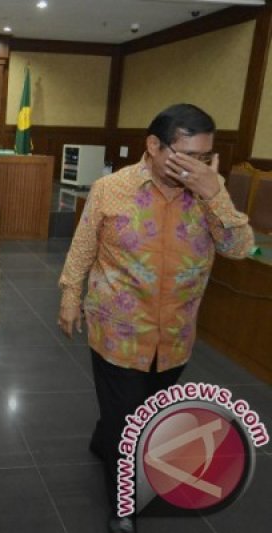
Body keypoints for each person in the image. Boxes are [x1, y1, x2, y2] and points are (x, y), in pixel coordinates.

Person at [57, 103, 254, 533]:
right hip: (118, 330)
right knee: (130, 424)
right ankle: (123, 504)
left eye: (204, 158)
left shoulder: (208, 192)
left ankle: (105, 432)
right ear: (153, 146)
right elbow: (84, 245)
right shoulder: (112, 188)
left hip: (176, 334)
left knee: (144, 410)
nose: (194, 167)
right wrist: (71, 295)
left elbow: (240, 247)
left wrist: (214, 191)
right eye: (185, 156)